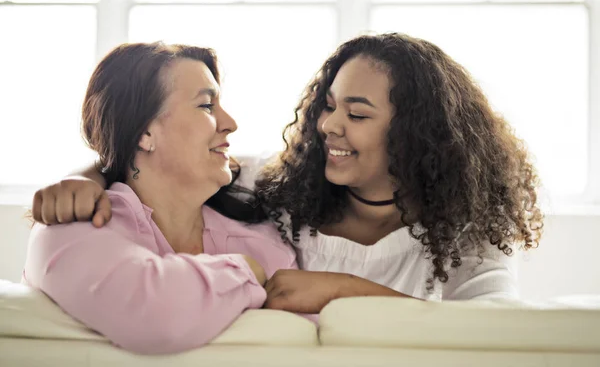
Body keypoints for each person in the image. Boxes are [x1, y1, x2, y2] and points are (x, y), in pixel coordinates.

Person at [31, 33, 544, 314]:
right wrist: (89, 179)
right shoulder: (275, 186)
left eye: (358, 115)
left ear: (420, 135)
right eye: (328, 106)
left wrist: (342, 289)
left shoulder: (465, 233)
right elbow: (158, 160)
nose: (328, 126)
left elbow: (491, 331)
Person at [23, 42, 297, 355]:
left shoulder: (267, 243)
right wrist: (247, 271)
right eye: (206, 106)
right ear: (145, 134)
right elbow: (155, 316)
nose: (230, 123)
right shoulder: (69, 226)